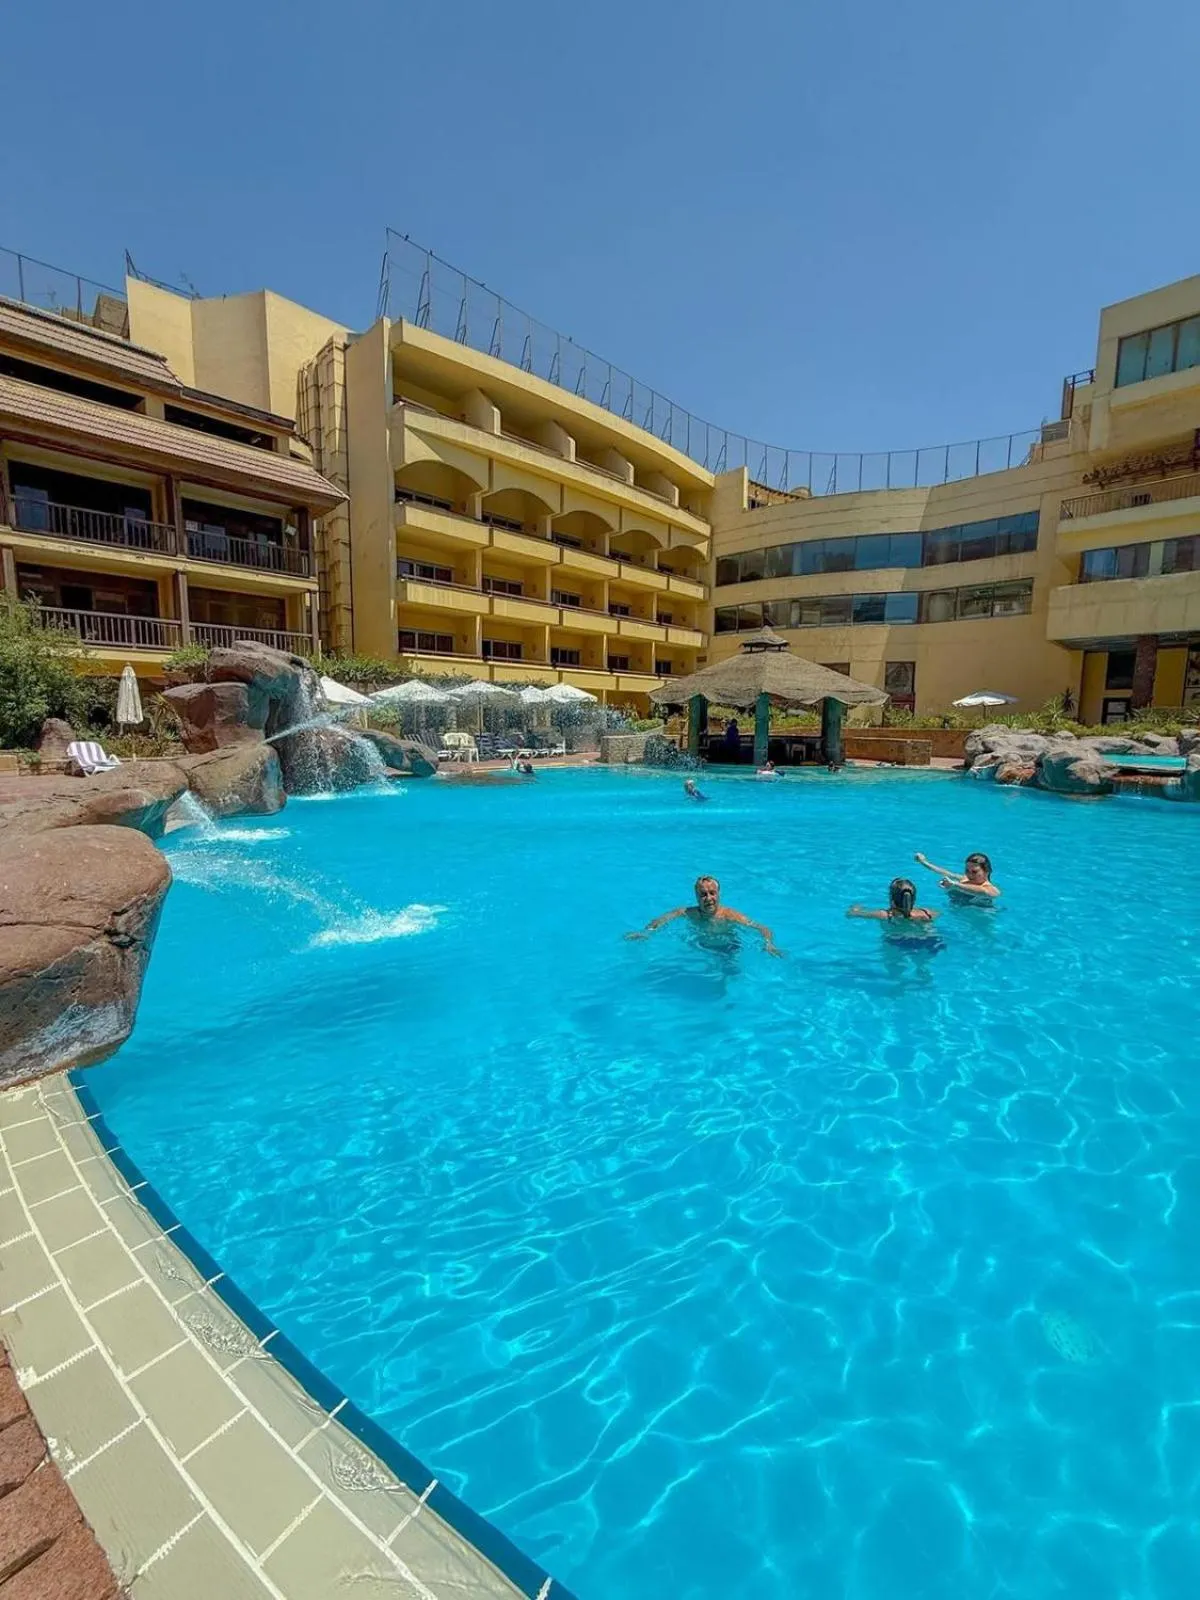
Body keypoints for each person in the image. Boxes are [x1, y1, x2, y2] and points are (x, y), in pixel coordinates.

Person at [626, 875, 782, 957]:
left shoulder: (731, 915)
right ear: (696, 897)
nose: (708, 898)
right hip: (700, 945)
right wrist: (645, 932)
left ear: (718, 894)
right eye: (703, 894)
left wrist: (769, 944)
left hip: (727, 948)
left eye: (712, 893)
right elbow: (661, 920)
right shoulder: (688, 913)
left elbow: (762, 928)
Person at [848, 877, 939, 927]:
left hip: (898, 943)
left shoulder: (883, 915)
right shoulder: (928, 913)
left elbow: (851, 914)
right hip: (928, 941)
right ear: (913, 898)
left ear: (891, 897)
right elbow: (939, 913)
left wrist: (855, 908)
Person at [913, 850, 1000, 901]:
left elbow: (983, 892)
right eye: (967, 870)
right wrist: (924, 862)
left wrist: (954, 885)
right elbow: (944, 872)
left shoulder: (992, 890)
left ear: (987, 871)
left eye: (974, 872)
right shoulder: (964, 879)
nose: (969, 874)